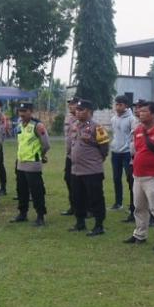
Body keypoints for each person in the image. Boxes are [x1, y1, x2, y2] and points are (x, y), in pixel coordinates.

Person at [124, 101, 154, 250]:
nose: (140, 113)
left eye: (144, 111)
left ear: (153, 114)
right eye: (139, 111)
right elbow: (138, 151)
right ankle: (140, 234)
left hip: (153, 177)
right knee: (139, 207)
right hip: (138, 176)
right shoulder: (138, 131)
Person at [68, 99, 110, 236]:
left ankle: (99, 225)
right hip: (76, 170)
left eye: (81, 110)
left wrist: (97, 160)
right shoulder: (74, 125)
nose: (78, 112)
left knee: (95, 198)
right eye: (77, 110)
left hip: (92, 170)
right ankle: (80, 222)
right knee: (77, 197)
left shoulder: (97, 127)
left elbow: (104, 148)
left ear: (90, 112)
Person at [12, 101, 51, 226]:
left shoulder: (37, 125)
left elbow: (46, 144)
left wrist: (41, 155)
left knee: (36, 191)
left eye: (25, 111)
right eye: (20, 111)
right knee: (21, 190)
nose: (22, 114)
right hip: (21, 162)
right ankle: (22, 213)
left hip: (33, 163)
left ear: (31, 111)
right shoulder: (19, 125)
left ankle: (40, 216)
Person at [109, 95, 136, 214]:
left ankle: (133, 205)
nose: (117, 107)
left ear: (126, 106)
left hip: (127, 153)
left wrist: (130, 151)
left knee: (130, 179)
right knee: (116, 178)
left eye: (120, 104)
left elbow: (134, 137)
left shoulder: (132, 119)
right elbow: (115, 134)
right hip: (115, 152)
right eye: (116, 104)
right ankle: (118, 203)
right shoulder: (113, 118)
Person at [61, 97, 79, 216]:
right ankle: (73, 206)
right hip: (69, 154)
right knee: (68, 179)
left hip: (79, 155)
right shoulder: (68, 118)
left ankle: (87, 208)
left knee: (80, 182)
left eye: (73, 104)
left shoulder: (82, 119)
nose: (70, 106)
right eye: (69, 104)